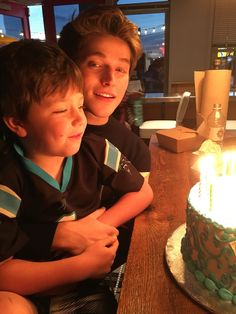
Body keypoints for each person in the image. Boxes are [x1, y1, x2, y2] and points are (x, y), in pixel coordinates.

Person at [0, 39, 153, 313]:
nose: (79, 119)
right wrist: (80, 266)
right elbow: (4, 271)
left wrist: (97, 229)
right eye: (61, 110)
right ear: (18, 123)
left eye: (80, 105)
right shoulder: (7, 180)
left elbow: (143, 191)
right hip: (32, 294)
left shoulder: (96, 149)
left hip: (90, 291)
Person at [57, 5, 152, 268]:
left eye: (121, 69)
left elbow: (141, 199)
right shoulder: (43, 134)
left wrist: (91, 228)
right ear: (69, 67)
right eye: (95, 64)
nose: (110, 79)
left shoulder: (133, 150)